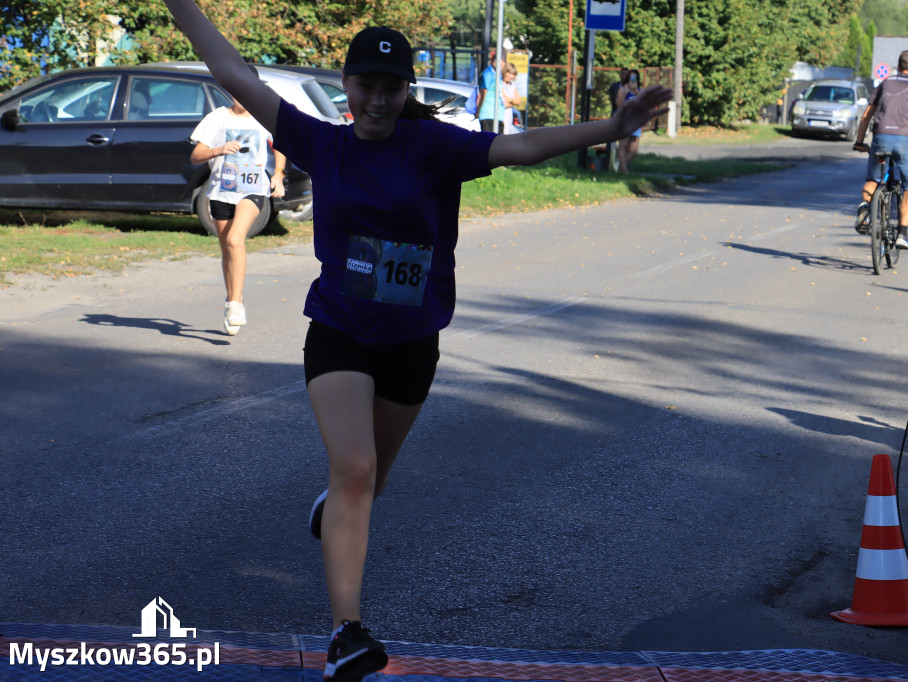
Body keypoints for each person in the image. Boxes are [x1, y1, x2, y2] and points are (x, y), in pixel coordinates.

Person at [160, 2, 670, 681]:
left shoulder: (436, 148)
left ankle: (338, 502)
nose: (376, 98)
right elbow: (232, 69)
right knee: (358, 470)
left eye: (390, 86)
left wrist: (613, 126)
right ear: (347, 85)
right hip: (340, 330)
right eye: (365, 83)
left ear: (406, 91)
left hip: (411, 341)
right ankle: (347, 632)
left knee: (371, 482)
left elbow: (521, 146)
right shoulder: (321, 142)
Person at [190, 80, 286, 335]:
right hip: (222, 191)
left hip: (253, 190)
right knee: (227, 249)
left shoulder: (263, 118)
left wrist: (278, 174)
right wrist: (219, 149)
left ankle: (236, 303)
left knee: (234, 240)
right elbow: (196, 155)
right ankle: (232, 301)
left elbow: (280, 145)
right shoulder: (218, 118)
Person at [852, 49, 908, 250]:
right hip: (907, 140)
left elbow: (866, 116)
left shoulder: (886, 82)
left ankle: (865, 207)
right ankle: (902, 234)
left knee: (873, 179)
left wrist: (860, 142)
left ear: (898, 67)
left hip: (881, 136)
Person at [615, 69, 644, 174]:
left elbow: (643, 105)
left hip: (636, 121)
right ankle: (625, 172)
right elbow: (619, 105)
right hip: (625, 121)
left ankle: (621, 170)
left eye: (634, 77)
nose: (632, 79)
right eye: (631, 77)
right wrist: (625, 93)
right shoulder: (622, 89)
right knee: (623, 146)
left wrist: (636, 91)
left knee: (633, 149)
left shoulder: (640, 91)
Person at [476, 52, 504, 133]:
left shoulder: (498, 74)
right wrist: (478, 111)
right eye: (499, 60)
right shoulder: (488, 73)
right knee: (489, 142)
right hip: (488, 115)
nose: (501, 63)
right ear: (493, 61)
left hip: (498, 115)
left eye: (503, 61)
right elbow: (482, 94)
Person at [500, 63, 523, 134]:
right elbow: (504, 103)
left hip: (509, 115)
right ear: (505, 72)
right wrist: (513, 102)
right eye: (510, 73)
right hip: (501, 114)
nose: (511, 76)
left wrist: (510, 100)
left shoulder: (512, 85)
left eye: (513, 74)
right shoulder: (500, 83)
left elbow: (519, 101)